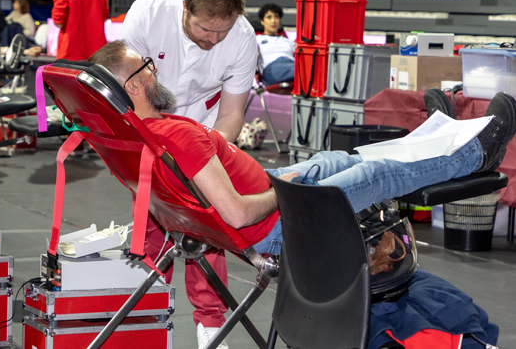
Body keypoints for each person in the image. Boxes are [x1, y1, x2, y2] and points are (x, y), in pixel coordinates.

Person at [90, 41, 515, 348]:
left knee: (339, 158)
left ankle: (436, 138)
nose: (154, 70)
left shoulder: (130, 139)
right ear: (131, 86)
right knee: (377, 174)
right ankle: (475, 152)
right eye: (145, 66)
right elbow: (237, 215)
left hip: (265, 188)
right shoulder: (176, 135)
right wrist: (284, 191)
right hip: (280, 217)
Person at [120, 0, 256, 344]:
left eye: (221, 31)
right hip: (148, 130)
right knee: (150, 227)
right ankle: (146, 320)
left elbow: (231, 113)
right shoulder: (148, 14)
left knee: (210, 229)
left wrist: (211, 159)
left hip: (203, 134)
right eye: (203, 28)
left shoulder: (243, 39)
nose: (213, 38)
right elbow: (122, 95)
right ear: (185, 9)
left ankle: (211, 326)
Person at [257, 3, 294, 86]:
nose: (273, 21)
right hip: (271, 69)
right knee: (305, 70)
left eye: (276, 17)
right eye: (269, 17)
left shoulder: (288, 41)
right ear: (262, 21)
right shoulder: (257, 39)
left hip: (291, 64)